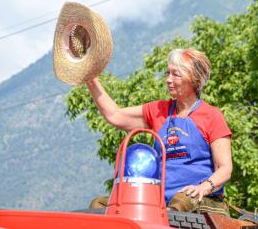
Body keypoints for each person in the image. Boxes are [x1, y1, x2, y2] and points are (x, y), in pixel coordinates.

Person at [87, 48, 232, 216]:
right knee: (99, 205)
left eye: (175, 74)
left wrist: (204, 187)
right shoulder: (159, 110)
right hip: (158, 199)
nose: (168, 80)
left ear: (194, 78)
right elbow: (115, 115)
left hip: (198, 199)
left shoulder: (212, 116)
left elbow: (225, 168)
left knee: (181, 201)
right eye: (167, 73)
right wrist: (90, 79)